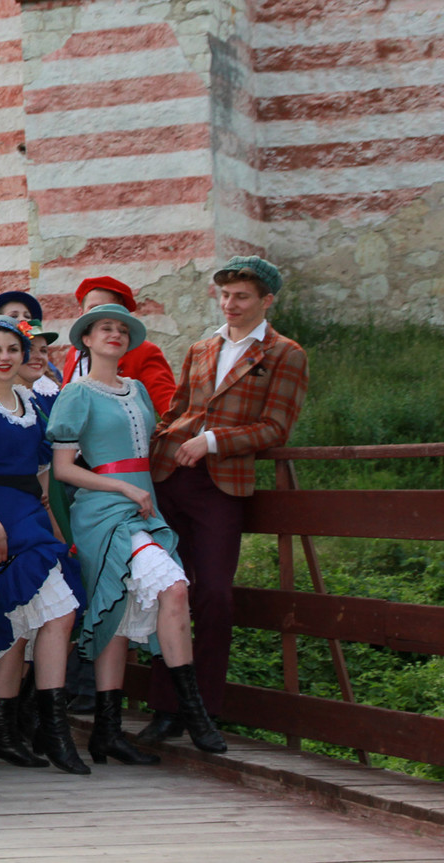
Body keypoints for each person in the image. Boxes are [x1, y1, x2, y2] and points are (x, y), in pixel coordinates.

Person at [47, 303, 227, 763]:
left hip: (146, 508)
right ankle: (195, 714)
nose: (115, 334)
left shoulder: (139, 389)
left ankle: (107, 731)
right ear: (87, 340)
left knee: (120, 611)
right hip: (104, 510)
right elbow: (62, 470)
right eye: (104, 328)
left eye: (122, 329)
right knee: (174, 589)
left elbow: (157, 444)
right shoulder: (75, 393)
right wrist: (122, 486)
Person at [139, 257, 309, 745]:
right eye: (225, 295)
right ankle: (165, 708)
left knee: (213, 594)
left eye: (242, 297)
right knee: (166, 590)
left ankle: (203, 711)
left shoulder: (286, 353)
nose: (230, 304)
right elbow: (175, 411)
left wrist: (212, 441)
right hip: (169, 477)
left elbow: (276, 427)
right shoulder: (202, 347)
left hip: (222, 484)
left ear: (266, 301)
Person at [0, 316, 88, 774]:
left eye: (12, 349)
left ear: (23, 354)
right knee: (35, 618)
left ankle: (11, 734)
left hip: (31, 517)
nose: (4, 357)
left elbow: (43, 475)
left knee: (23, 623)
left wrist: (57, 530)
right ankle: (42, 732)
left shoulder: (31, 402)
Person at [60, 277, 177, 414]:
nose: (102, 315)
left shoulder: (144, 352)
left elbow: (170, 409)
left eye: (110, 309)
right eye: (94, 308)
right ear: (81, 313)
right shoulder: (74, 352)